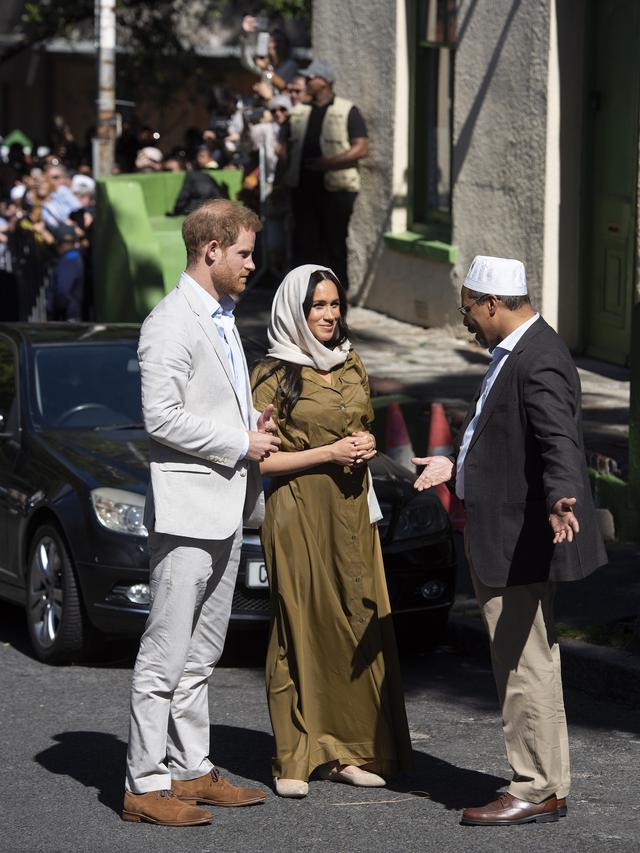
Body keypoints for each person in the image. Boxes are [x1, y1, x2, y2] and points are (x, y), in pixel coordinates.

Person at [413, 255, 607, 827]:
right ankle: (545, 784)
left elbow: (558, 439)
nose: (466, 321)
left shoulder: (537, 357)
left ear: (492, 303)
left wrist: (563, 495)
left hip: (517, 539)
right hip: (506, 533)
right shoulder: (517, 351)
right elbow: (503, 438)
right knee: (529, 663)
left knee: (526, 668)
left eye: (467, 310)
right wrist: (456, 465)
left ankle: (536, 788)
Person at [122, 199, 281, 827]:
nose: (251, 264)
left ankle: (190, 770)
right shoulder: (169, 322)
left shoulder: (222, 316)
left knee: (202, 653)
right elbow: (160, 418)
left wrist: (250, 422)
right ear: (210, 250)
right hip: (187, 513)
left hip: (224, 507)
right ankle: (144, 783)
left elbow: (207, 407)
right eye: (243, 253)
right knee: (164, 652)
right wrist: (240, 441)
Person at [251, 264, 413, 799]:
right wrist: (329, 453)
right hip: (299, 510)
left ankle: (348, 752)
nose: (328, 315)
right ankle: (294, 757)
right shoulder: (272, 375)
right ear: (294, 312)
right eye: (317, 306)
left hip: (351, 510)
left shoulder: (350, 363)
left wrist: (365, 443)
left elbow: (359, 426)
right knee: (298, 625)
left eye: (334, 304)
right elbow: (262, 462)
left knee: (356, 621)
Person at [282, 60, 368, 290]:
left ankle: (338, 295)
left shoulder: (347, 110)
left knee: (334, 245)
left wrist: (327, 163)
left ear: (325, 82)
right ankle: (304, 295)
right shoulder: (299, 111)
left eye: (311, 78)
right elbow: (285, 147)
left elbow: (361, 147)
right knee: (304, 245)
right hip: (302, 189)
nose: (307, 82)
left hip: (335, 191)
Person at [171, 146, 226, 216]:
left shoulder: (193, 175)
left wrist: (176, 210)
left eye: (202, 156)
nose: (199, 159)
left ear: (210, 158)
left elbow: (183, 195)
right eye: (199, 156)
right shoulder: (194, 174)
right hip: (205, 210)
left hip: (201, 210)